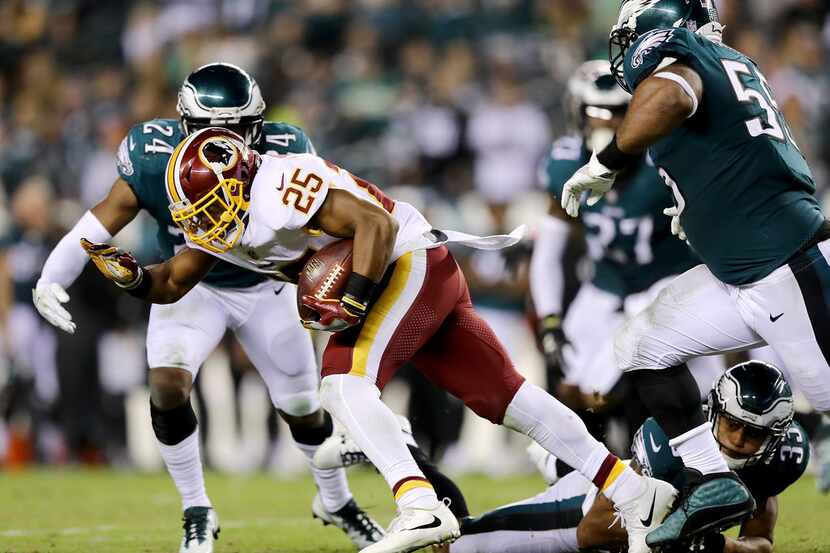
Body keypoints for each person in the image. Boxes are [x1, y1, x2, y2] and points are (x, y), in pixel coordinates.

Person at [79, 126, 677, 553]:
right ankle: (631, 488)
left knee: (341, 381)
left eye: (208, 206)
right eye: (192, 212)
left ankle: (418, 505)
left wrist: (355, 297)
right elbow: (172, 282)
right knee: (506, 396)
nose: (200, 223)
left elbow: (375, 223)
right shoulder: (220, 221)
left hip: (403, 260)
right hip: (416, 271)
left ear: (238, 182)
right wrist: (132, 275)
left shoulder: (279, 183)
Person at [31, 63, 382, 553]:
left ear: (256, 124)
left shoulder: (285, 150)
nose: (228, 142)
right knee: (167, 384)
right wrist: (53, 275)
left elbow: (323, 227)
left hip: (266, 285)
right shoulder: (153, 156)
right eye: (215, 130)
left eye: (239, 129)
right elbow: (105, 219)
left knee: (302, 408)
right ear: (185, 125)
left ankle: (338, 503)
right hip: (193, 284)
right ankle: (196, 508)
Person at [559, 0, 830, 548]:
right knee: (641, 343)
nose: (625, 52)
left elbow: (675, 95)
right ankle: (712, 477)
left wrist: (606, 161)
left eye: (631, 36)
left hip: (788, 265)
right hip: (743, 272)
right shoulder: (725, 62)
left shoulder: (684, 60)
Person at [531, 59, 721, 419]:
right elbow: (548, 250)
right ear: (578, 114)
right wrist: (549, 320)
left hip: (668, 283)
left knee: (699, 394)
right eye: (597, 112)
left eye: (620, 112)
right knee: (569, 394)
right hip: (606, 285)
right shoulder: (564, 162)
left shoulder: (664, 160)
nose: (608, 123)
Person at [450, 361, 806, 553]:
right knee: (460, 546)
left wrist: (717, 545)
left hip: (624, 496)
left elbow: (761, 543)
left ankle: (556, 461)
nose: (739, 440)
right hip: (585, 507)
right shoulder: (672, 443)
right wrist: (686, 540)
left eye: (754, 433)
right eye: (732, 424)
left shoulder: (778, 461)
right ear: (712, 413)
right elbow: (593, 530)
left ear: (774, 437)